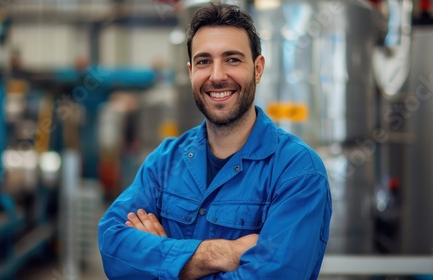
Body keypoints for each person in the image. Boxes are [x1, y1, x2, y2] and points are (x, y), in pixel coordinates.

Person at [98, 3, 332, 279]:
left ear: (258, 69)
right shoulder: (165, 162)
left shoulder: (298, 171)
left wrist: (163, 263)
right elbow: (112, 245)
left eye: (232, 59)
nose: (217, 76)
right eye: (204, 61)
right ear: (190, 72)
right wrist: (219, 253)